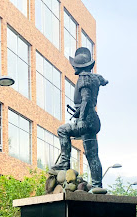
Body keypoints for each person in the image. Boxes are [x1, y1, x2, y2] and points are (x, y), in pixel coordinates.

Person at [53, 47, 108, 190]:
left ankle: (64, 163)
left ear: (79, 67)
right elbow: (102, 80)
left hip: (86, 121)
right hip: (93, 120)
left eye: (74, 66)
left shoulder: (83, 78)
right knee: (92, 155)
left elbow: (86, 100)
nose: (73, 69)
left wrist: (81, 118)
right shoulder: (94, 78)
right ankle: (97, 185)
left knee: (62, 130)